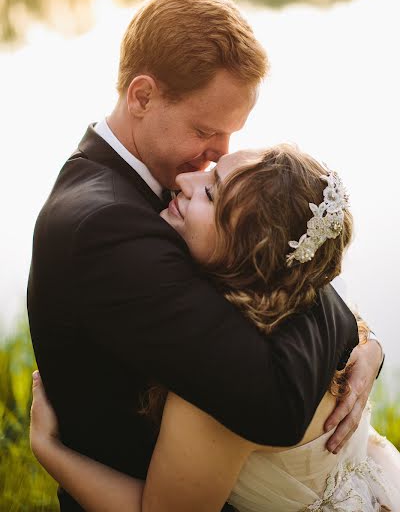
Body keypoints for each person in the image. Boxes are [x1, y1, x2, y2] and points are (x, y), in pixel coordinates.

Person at [27, 0, 383, 511]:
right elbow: (278, 402)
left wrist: (369, 345)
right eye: (205, 131)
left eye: (231, 135)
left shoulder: (167, 187)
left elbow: (278, 273)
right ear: (142, 95)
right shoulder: (105, 227)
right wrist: (345, 330)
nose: (216, 157)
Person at [30, 145, 400, 511]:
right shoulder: (297, 298)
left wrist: (50, 450)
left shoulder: (230, 382)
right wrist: (373, 347)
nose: (184, 180)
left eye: (210, 192)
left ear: (247, 251)